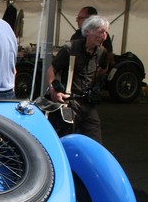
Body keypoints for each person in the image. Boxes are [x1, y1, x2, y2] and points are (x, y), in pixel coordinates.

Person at [45, 15, 110, 143]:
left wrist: (97, 82)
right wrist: (53, 90)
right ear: (87, 32)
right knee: (64, 138)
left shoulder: (102, 52)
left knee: (96, 142)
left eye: (106, 32)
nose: (104, 36)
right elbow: (52, 69)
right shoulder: (70, 49)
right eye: (101, 31)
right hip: (70, 102)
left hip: (89, 104)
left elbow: (104, 69)